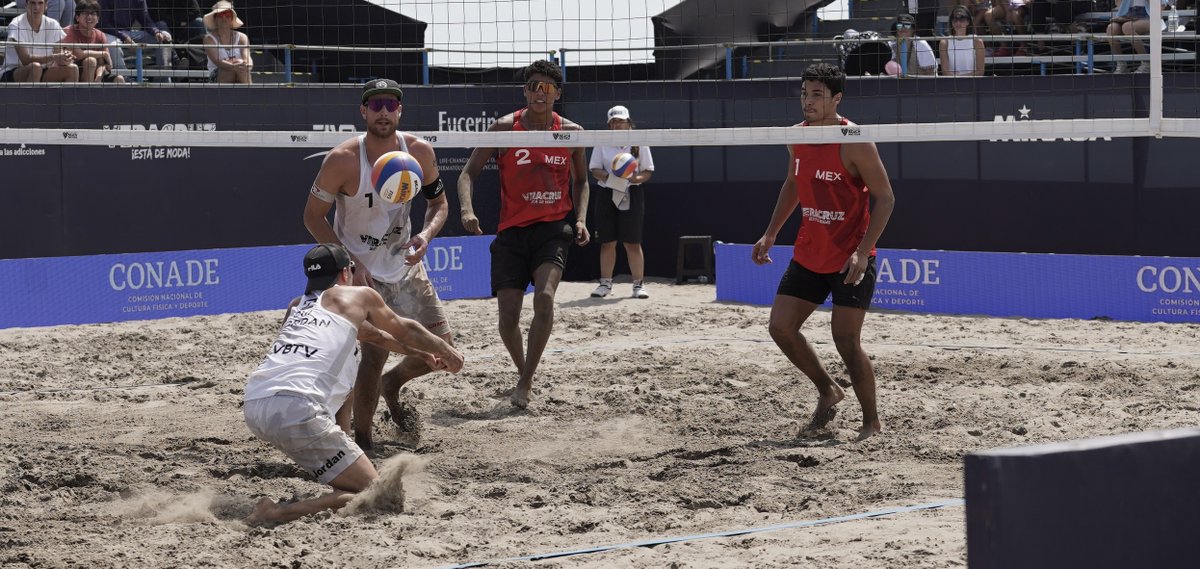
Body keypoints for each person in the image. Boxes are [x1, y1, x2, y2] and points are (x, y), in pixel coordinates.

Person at [242, 243, 464, 525]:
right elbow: (403, 327)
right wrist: (446, 349)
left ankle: (342, 454)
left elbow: (376, 336)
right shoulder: (359, 296)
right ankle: (275, 513)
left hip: (256, 404)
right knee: (378, 495)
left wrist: (422, 354)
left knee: (344, 366)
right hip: (297, 410)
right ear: (346, 273)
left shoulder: (296, 306)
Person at [303, 79, 454, 451]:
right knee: (373, 355)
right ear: (363, 111)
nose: (383, 111)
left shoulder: (418, 151)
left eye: (390, 104)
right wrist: (350, 262)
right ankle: (364, 442)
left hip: (406, 265)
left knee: (443, 351)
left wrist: (426, 235)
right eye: (375, 105)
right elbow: (312, 217)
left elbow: (439, 204)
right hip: (360, 275)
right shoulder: (342, 159)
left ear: (400, 110)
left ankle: (393, 383)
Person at [751, 63, 896, 442]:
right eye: (804, 93)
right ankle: (828, 390)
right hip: (810, 252)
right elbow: (793, 183)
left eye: (817, 94)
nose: (808, 101)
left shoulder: (854, 139)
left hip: (850, 257)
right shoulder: (796, 136)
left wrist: (862, 252)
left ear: (836, 98)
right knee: (780, 328)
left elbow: (885, 199)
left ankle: (871, 422)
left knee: (846, 341)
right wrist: (770, 233)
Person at [457, 59, 591, 409]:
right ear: (525, 91)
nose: (539, 93)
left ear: (557, 93)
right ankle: (524, 374)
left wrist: (580, 219)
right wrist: (467, 210)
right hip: (512, 232)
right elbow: (467, 174)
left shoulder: (572, 132)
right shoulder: (504, 127)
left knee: (544, 297)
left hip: (552, 228)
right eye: (533, 86)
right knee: (507, 319)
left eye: (547, 87)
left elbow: (581, 181)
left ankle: (526, 382)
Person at [588, 105, 656, 299]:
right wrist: (612, 178)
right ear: (609, 124)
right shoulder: (602, 140)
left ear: (628, 122)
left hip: (631, 192)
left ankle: (638, 285)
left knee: (632, 242)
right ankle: (605, 284)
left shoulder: (638, 140)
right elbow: (594, 169)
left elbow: (647, 171)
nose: (617, 125)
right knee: (607, 242)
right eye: (613, 122)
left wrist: (634, 179)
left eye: (620, 121)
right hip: (607, 191)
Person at [1, 0, 78, 83]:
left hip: (43, 69)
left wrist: (65, 58)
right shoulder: (16, 24)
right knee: (35, 68)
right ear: (26, 5)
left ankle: (69, 93)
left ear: (46, 5)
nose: (36, 7)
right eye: (33, 3)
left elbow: (58, 53)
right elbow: (25, 60)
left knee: (73, 69)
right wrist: (54, 57)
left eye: (40, 3)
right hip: (13, 72)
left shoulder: (53, 24)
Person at [99, 0, 173, 77]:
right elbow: (104, 24)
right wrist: (124, 37)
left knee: (165, 36)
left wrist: (156, 32)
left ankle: (162, 79)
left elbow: (145, 20)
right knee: (113, 46)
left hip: (129, 33)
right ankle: (123, 79)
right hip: (110, 33)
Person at [61, 0, 124, 83]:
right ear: (77, 17)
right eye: (85, 13)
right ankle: (88, 90)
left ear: (98, 19)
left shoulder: (100, 35)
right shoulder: (68, 31)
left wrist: (98, 76)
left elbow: (103, 64)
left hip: (95, 72)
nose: (89, 17)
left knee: (119, 79)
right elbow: (78, 54)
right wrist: (104, 53)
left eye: (93, 14)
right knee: (90, 61)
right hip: (72, 72)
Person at [1107, 0, 1169, 73]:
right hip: (1127, 15)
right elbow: (1118, 3)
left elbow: (1162, 5)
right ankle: (1121, 64)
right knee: (1111, 28)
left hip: (1148, 16)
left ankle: (1146, 62)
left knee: (1127, 27)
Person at [202, 1, 251, 84]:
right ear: (215, 18)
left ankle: (249, 92)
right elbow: (217, 61)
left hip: (240, 70)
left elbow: (246, 58)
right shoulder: (208, 39)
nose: (224, 17)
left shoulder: (242, 37)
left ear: (232, 18)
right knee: (232, 71)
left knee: (243, 70)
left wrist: (245, 64)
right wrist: (234, 66)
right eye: (220, 15)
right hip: (217, 75)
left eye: (227, 14)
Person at [939, 5, 986, 76]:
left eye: (962, 19)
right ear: (951, 22)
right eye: (955, 19)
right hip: (953, 81)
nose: (958, 23)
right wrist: (958, 78)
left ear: (968, 21)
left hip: (972, 81)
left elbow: (980, 71)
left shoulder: (977, 41)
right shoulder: (944, 43)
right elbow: (945, 72)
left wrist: (961, 78)